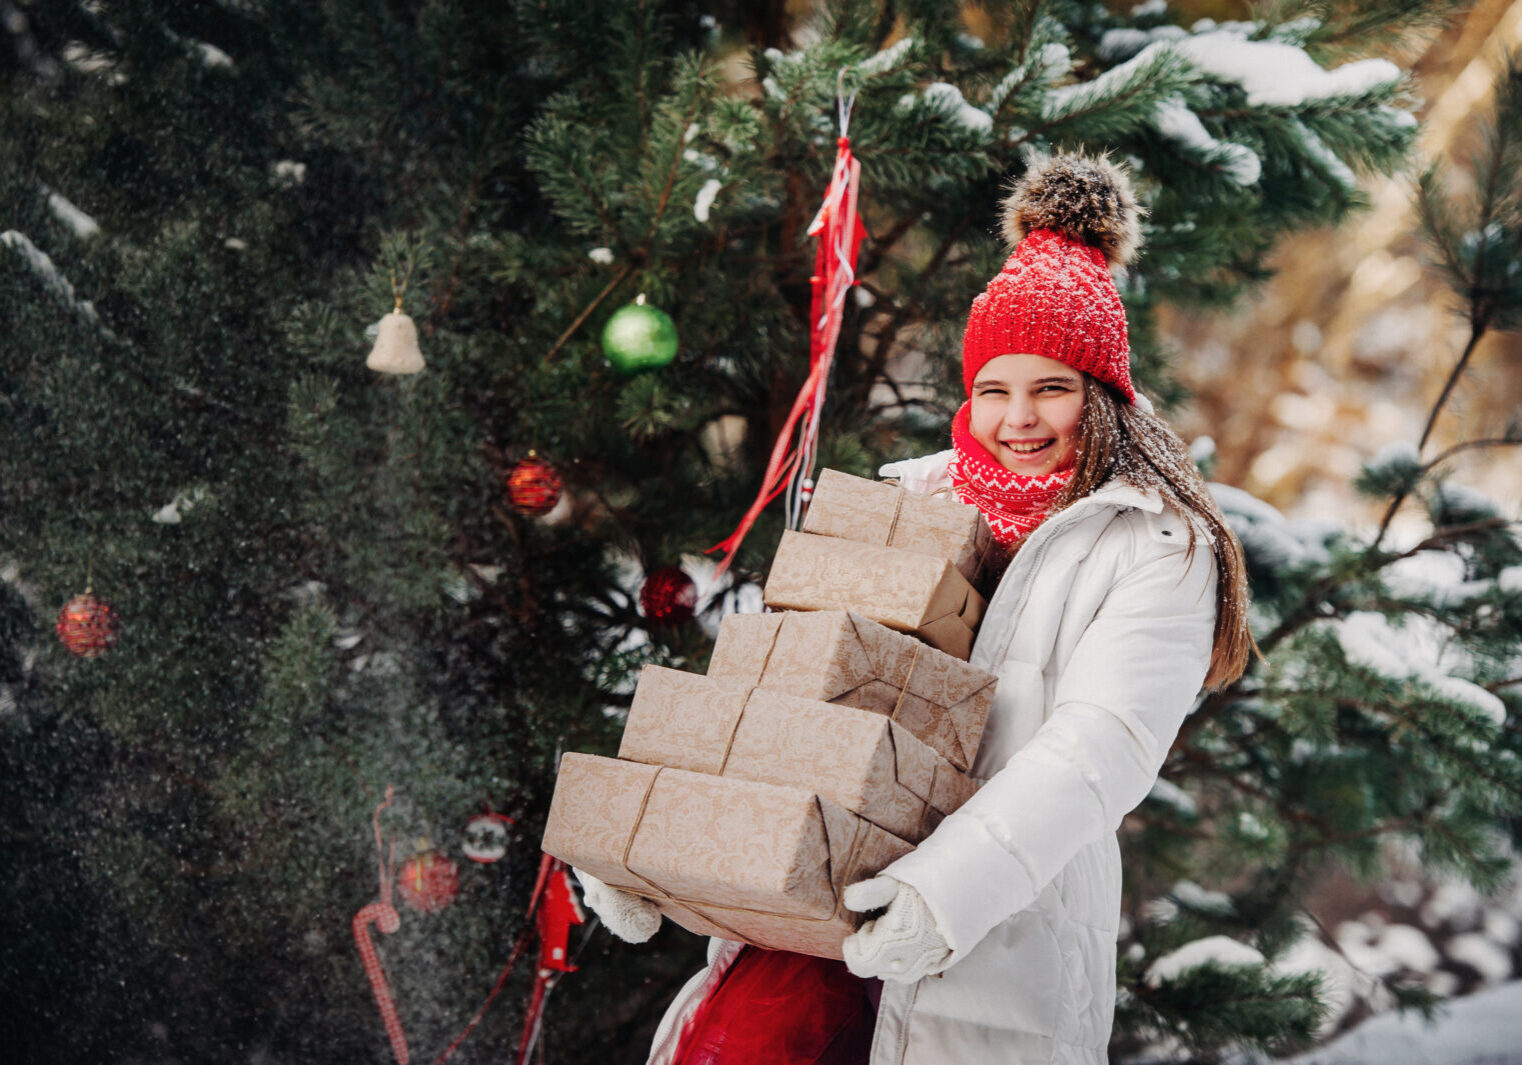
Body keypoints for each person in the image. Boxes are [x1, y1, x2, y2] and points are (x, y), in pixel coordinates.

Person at [576, 152, 1253, 1065]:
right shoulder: (911, 497)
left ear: (1102, 395)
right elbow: (782, 689)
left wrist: (945, 892)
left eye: (1052, 386)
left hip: (990, 936)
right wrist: (647, 844)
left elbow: (1099, 748)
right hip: (811, 917)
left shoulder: (1156, 544)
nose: (1019, 417)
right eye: (993, 389)